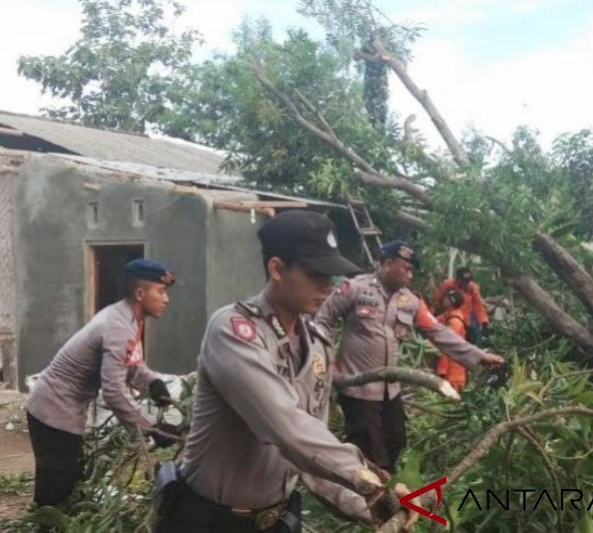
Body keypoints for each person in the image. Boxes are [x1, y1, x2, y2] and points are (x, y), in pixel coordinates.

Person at [156, 210, 417, 533]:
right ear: (277, 268)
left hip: (277, 519)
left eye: (331, 275)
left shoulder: (318, 345)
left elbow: (312, 450)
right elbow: (287, 428)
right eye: (315, 274)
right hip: (210, 520)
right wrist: (369, 479)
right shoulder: (233, 332)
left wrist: (377, 504)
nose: (327, 286)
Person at [316, 241, 504, 473]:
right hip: (358, 389)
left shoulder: (411, 301)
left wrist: (479, 356)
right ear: (387, 263)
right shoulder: (355, 288)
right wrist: (325, 361)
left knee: (397, 441)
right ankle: (369, 501)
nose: (410, 275)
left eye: (412, 270)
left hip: (390, 389)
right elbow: (322, 319)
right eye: (406, 268)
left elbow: (438, 331)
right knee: (370, 450)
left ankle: (385, 488)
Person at [24, 259, 179, 508]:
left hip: (60, 409)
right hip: (53, 411)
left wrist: (153, 383)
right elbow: (114, 391)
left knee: (69, 483)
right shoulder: (119, 326)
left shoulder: (126, 318)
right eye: (160, 292)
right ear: (140, 294)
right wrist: (151, 428)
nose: (166, 299)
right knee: (56, 492)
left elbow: (131, 365)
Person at [433, 266, 489, 343]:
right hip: (446, 318)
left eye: (468, 281)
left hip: (464, 322)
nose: (466, 283)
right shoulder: (448, 284)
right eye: (463, 281)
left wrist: (484, 323)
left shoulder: (473, 288)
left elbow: (478, 307)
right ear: (457, 279)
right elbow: (436, 298)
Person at [435, 289, 468, 392]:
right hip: (453, 372)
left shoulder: (454, 322)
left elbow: (447, 347)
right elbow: (433, 321)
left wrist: (442, 371)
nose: (443, 299)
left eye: (446, 298)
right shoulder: (449, 316)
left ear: (450, 302)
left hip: (453, 375)